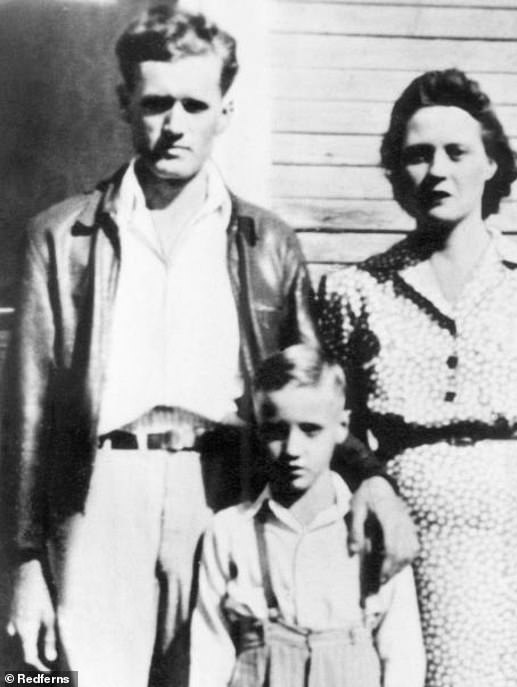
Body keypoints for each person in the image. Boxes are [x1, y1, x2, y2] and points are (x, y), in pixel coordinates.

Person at [1, 7, 416, 687]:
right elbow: (25, 412)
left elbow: (311, 387)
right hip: (99, 489)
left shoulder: (267, 240)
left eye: (195, 104)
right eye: (156, 102)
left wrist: (370, 475)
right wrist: (22, 563)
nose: (175, 124)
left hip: (224, 491)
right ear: (124, 103)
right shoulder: (61, 236)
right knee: (79, 678)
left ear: (225, 109)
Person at [317, 68, 517, 686]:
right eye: (417, 156)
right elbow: (334, 428)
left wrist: (516, 503)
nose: (437, 170)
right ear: (398, 172)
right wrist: (377, 492)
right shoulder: (356, 291)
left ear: (491, 163)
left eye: (456, 152)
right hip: (406, 534)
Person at [189, 344, 425, 687]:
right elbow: (209, 658)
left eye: (311, 429)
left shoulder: (372, 530)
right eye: (276, 432)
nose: (293, 449)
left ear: (342, 426)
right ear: (258, 429)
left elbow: (402, 655)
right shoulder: (229, 532)